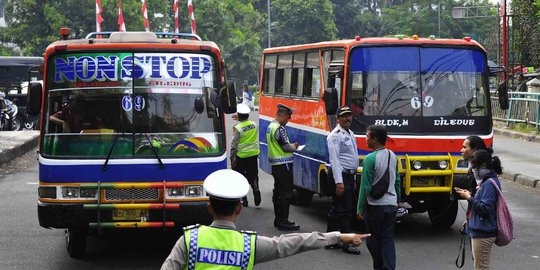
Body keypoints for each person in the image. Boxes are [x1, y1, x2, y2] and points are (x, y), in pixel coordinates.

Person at [161, 169, 371, 270]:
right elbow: (293, 243)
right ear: (239, 209)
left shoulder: (189, 240)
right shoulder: (248, 245)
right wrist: (338, 236)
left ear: (209, 208)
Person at [356, 125, 400, 270]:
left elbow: (365, 186)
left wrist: (360, 208)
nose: (365, 139)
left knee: (372, 239)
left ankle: (380, 267)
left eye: (367, 137)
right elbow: (397, 181)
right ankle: (389, 267)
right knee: (387, 239)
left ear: (375, 139)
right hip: (391, 205)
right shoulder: (393, 156)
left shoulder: (370, 159)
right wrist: (397, 201)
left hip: (376, 206)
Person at [455, 150, 503, 270]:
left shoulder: (488, 185)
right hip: (481, 229)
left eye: (474, 168)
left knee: (481, 267)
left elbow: (485, 208)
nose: (473, 171)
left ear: (483, 166)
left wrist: (469, 198)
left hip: (483, 232)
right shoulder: (486, 182)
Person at [325, 106, 361, 255]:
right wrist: (339, 182)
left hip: (348, 176)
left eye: (349, 116)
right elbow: (335, 161)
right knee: (345, 211)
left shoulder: (350, 133)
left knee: (337, 208)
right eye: (344, 116)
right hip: (340, 176)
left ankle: (330, 240)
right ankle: (346, 243)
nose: (348, 119)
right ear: (338, 119)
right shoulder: (335, 136)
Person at [266, 103, 300, 231]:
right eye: (288, 117)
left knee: (278, 192)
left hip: (275, 164)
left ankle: (278, 219)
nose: (288, 120)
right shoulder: (279, 128)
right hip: (283, 164)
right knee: (286, 194)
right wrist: (294, 147)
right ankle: (283, 221)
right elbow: (285, 147)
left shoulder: (270, 126)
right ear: (283, 115)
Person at [230, 103, 261, 207]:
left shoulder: (237, 128)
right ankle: (256, 189)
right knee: (253, 175)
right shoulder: (254, 124)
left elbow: (234, 145)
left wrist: (232, 159)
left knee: (240, 177)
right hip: (253, 154)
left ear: (238, 115)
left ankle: (244, 199)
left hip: (241, 156)